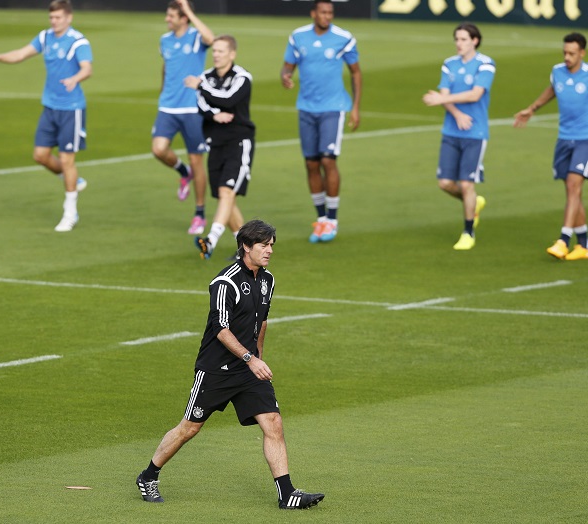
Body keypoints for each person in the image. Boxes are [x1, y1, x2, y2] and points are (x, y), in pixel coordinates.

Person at [135, 219, 324, 510]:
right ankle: (148, 475)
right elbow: (221, 330)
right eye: (263, 245)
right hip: (216, 370)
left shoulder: (267, 280)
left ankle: (286, 494)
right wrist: (249, 359)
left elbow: (261, 321)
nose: (269, 250)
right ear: (246, 247)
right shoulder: (225, 283)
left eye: (271, 245)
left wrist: (257, 356)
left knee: (273, 422)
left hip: (248, 368)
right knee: (190, 428)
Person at [0, 0, 92, 232]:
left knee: (66, 159)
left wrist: (76, 78)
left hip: (71, 109)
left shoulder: (77, 41)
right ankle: (73, 179)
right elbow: (21, 54)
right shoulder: (45, 38)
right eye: (51, 18)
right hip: (50, 107)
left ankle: (70, 212)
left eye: (58, 18)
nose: (54, 22)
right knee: (40, 155)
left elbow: (87, 68)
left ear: (69, 18)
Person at [280, 0, 361, 243]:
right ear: (313, 13)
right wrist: (285, 77)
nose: (327, 16)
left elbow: (356, 71)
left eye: (330, 13)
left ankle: (332, 219)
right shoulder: (298, 37)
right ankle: (321, 219)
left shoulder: (344, 38)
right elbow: (287, 66)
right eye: (323, 12)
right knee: (311, 164)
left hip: (333, 108)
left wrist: (355, 107)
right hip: (306, 108)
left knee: (328, 159)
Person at [514, 33, 588, 261]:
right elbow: (553, 89)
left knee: (574, 185)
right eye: (565, 52)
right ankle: (584, 245)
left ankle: (563, 240)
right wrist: (532, 108)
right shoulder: (557, 71)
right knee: (571, 191)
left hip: (585, 139)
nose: (567, 57)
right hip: (564, 138)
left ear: (582, 54)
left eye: (572, 54)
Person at [423, 23, 494, 251]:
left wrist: (442, 100)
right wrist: (456, 113)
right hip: (452, 131)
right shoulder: (449, 64)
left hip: (475, 132)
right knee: (445, 183)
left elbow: (475, 94)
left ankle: (468, 231)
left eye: (463, 39)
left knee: (466, 184)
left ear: (475, 41)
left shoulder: (485, 64)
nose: (459, 43)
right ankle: (474, 203)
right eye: (457, 39)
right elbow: (445, 95)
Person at [184, 35, 253, 260]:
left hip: (239, 142)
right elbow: (202, 105)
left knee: (227, 192)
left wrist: (203, 88)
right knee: (225, 197)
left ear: (232, 54)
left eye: (221, 51)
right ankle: (247, 250)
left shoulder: (242, 78)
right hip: (215, 143)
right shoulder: (206, 77)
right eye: (214, 51)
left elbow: (228, 99)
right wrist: (215, 113)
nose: (216, 55)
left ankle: (211, 239)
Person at [153, 0, 214, 235]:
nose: (167, 19)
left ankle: (199, 214)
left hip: (192, 109)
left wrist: (189, 10)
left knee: (197, 161)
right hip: (168, 107)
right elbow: (166, 67)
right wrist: (161, 93)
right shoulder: (164, 40)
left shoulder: (196, 37)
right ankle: (182, 171)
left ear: (184, 18)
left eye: (172, 16)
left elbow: (211, 39)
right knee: (158, 149)